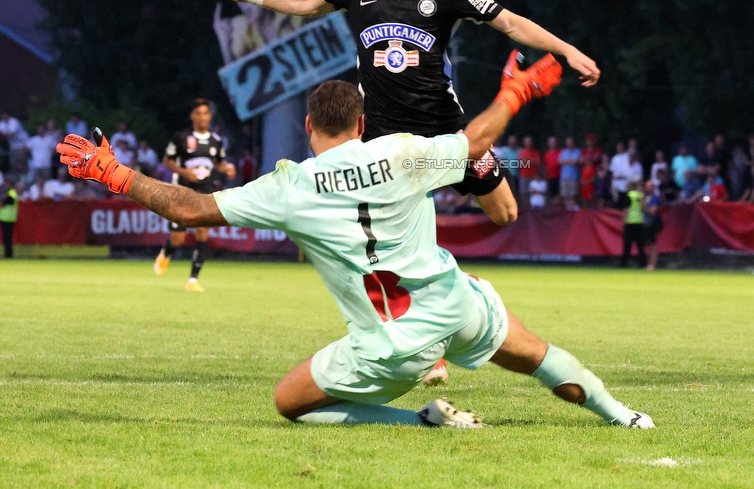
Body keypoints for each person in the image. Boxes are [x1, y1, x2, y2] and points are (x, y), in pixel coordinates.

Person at [57, 58, 654, 430]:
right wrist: (516, 95)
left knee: (288, 402)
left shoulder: (292, 184)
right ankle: (623, 415)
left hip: (391, 344)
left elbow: (190, 209)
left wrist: (117, 176)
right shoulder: (403, 151)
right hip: (455, 304)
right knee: (537, 355)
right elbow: (476, 143)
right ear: (363, 124)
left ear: (309, 128)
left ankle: (418, 419)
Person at [203, 0, 599, 229]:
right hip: (380, 133)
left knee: (505, 212)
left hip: (445, 129)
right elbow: (309, 1)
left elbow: (509, 22)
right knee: (383, 226)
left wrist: (567, 51)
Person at [153, 99, 236, 292]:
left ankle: (193, 280)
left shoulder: (216, 140)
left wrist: (228, 168)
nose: (202, 117)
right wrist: (183, 172)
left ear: (210, 116)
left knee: (202, 232)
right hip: (182, 191)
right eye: (198, 113)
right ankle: (167, 252)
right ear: (192, 116)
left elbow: (219, 163)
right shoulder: (181, 137)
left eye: (205, 113)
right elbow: (167, 160)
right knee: (178, 239)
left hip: (205, 190)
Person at [619, 182, 646, 268]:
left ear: (630, 187)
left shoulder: (629, 196)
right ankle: (643, 263)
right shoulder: (641, 195)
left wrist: (623, 223)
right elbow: (643, 207)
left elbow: (626, 210)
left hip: (630, 222)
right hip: (639, 222)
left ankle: (624, 264)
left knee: (627, 245)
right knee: (640, 245)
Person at [516, 136, 541, 208]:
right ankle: (525, 208)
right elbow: (520, 163)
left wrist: (526, 161)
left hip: (533, 176)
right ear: (524, 143)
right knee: (524, 193)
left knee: (533, 193)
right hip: (523, 175)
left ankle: (532, 208)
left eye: (530, 142)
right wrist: (531, 161)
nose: (528, 143)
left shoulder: (535, 152)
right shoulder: (522, 152)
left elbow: (537, 163)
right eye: (527, 142)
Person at [0, 179, 18, 258]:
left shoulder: (12, 192)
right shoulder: (7, 193)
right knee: (6, 237)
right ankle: (7, 253)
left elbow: (10, 200)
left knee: (8, 237)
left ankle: (8, 254)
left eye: (7, 184)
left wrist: (3, 202)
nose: (5, 186)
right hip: (5, 218)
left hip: (9, 218)